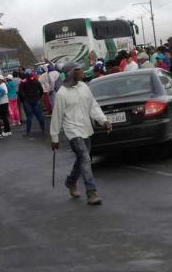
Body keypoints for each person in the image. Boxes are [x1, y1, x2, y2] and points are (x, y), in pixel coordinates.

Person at [50, 63, 112, 205]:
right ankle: (91, 192)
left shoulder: (84, 87)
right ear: (71, 73)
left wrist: (103, 120)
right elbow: (56, 116)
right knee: (85, 157)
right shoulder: (62, 94)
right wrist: (54, 137)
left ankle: (71, 181)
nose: (82, 72)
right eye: (79, 70)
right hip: (73, 131)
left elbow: (93, 106)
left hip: (85, 128)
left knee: (83, 159)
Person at [18, 68, 45, 136]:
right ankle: (43, 129)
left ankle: (28, 132)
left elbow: (20, 92)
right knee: (39, 115)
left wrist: (24, 98)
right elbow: (41, 90)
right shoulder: (36, 81)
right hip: (36, 100)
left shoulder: (23, 82)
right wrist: (39, 97)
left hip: (27, 101)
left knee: (29, 117)